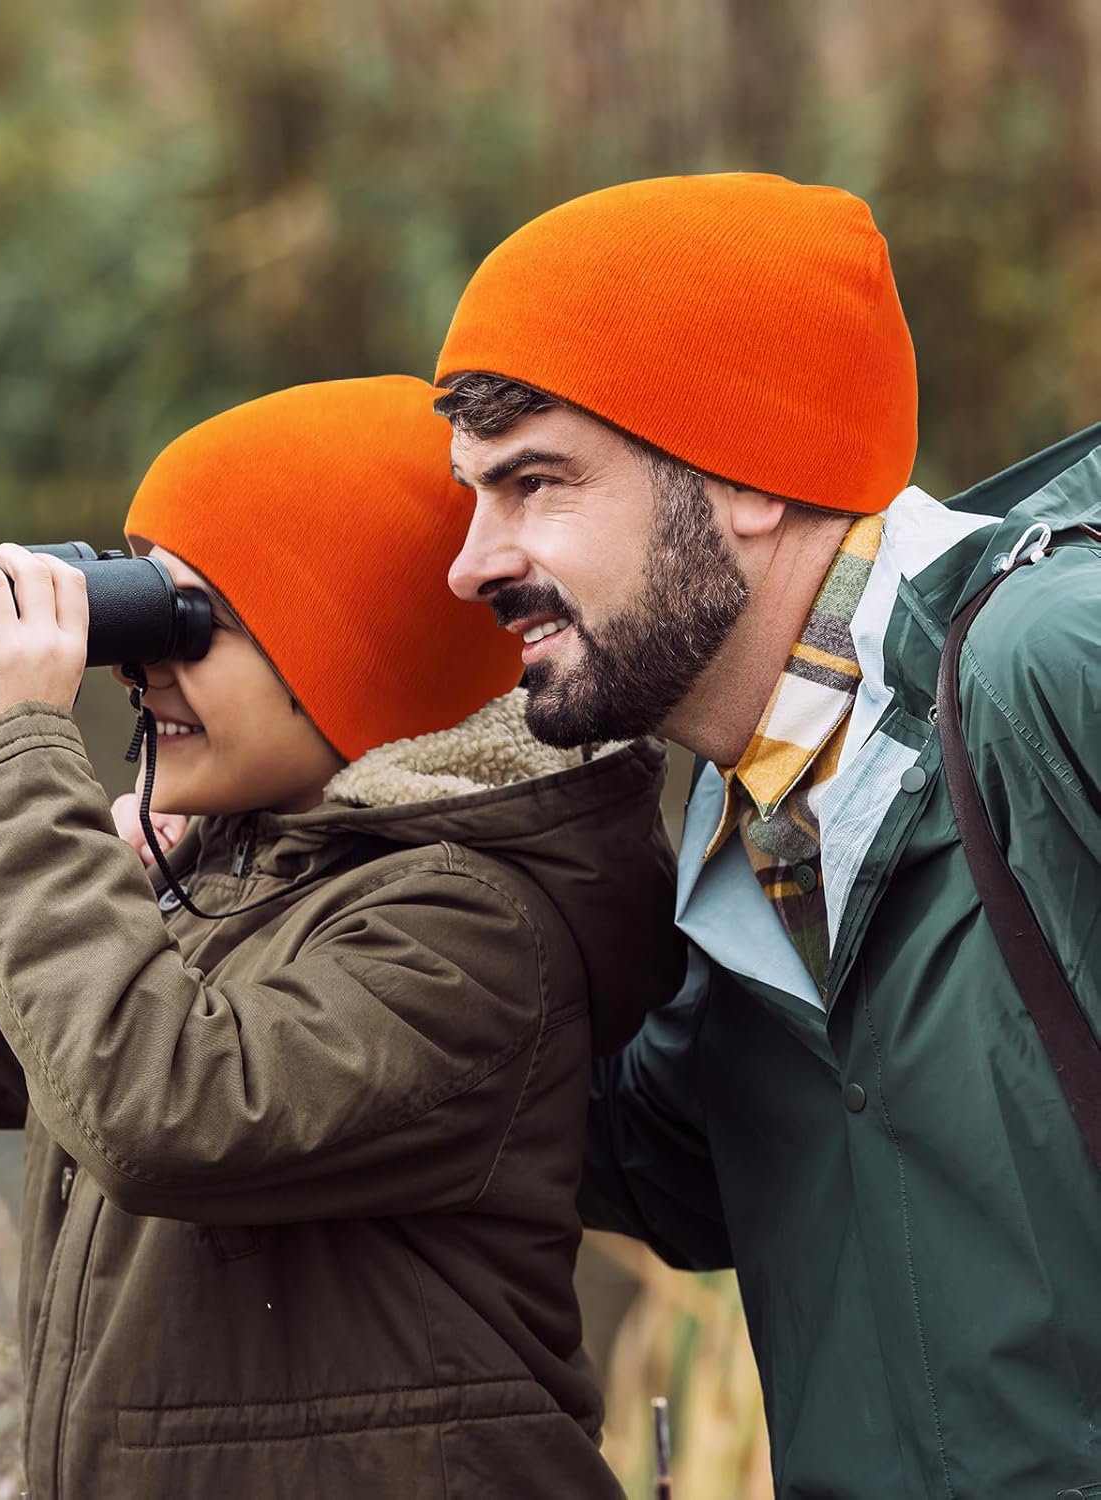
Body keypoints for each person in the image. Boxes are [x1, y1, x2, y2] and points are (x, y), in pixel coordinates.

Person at [0, 375, 683, 1498]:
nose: (136, 665)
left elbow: (163, 1107)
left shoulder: (481, 931)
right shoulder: (218, 871)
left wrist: (18, 752)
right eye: (130, 608)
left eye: (190, 623)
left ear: (361, 651)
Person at [432, 172, 1101, 1498]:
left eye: (535, 482)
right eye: (473, 495)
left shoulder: (1050, 663)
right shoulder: (752, 829)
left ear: (742, 472)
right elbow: (635, 1171)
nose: (473, 561)